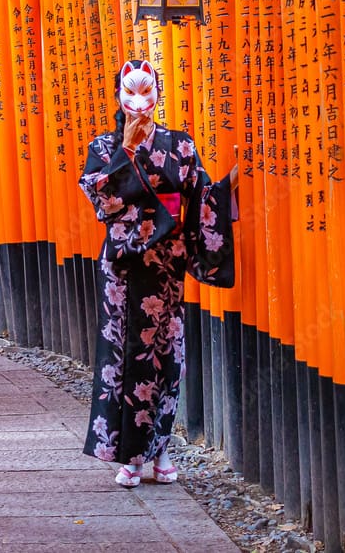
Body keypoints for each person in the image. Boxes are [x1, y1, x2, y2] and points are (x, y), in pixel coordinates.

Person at [78, 59, 238, 487]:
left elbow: (200, 194)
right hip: (123, 266)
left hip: (165, 262)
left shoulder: (180, 145)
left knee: (167, 355)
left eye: (146, 92)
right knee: (125, 356)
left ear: (158, 95)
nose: (138, 102)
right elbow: (103, 203)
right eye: (129, 93)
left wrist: (224, 190)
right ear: (117, 96)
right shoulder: (102, 146)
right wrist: (125, 154)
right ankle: (129, 456)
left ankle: (162, 447)